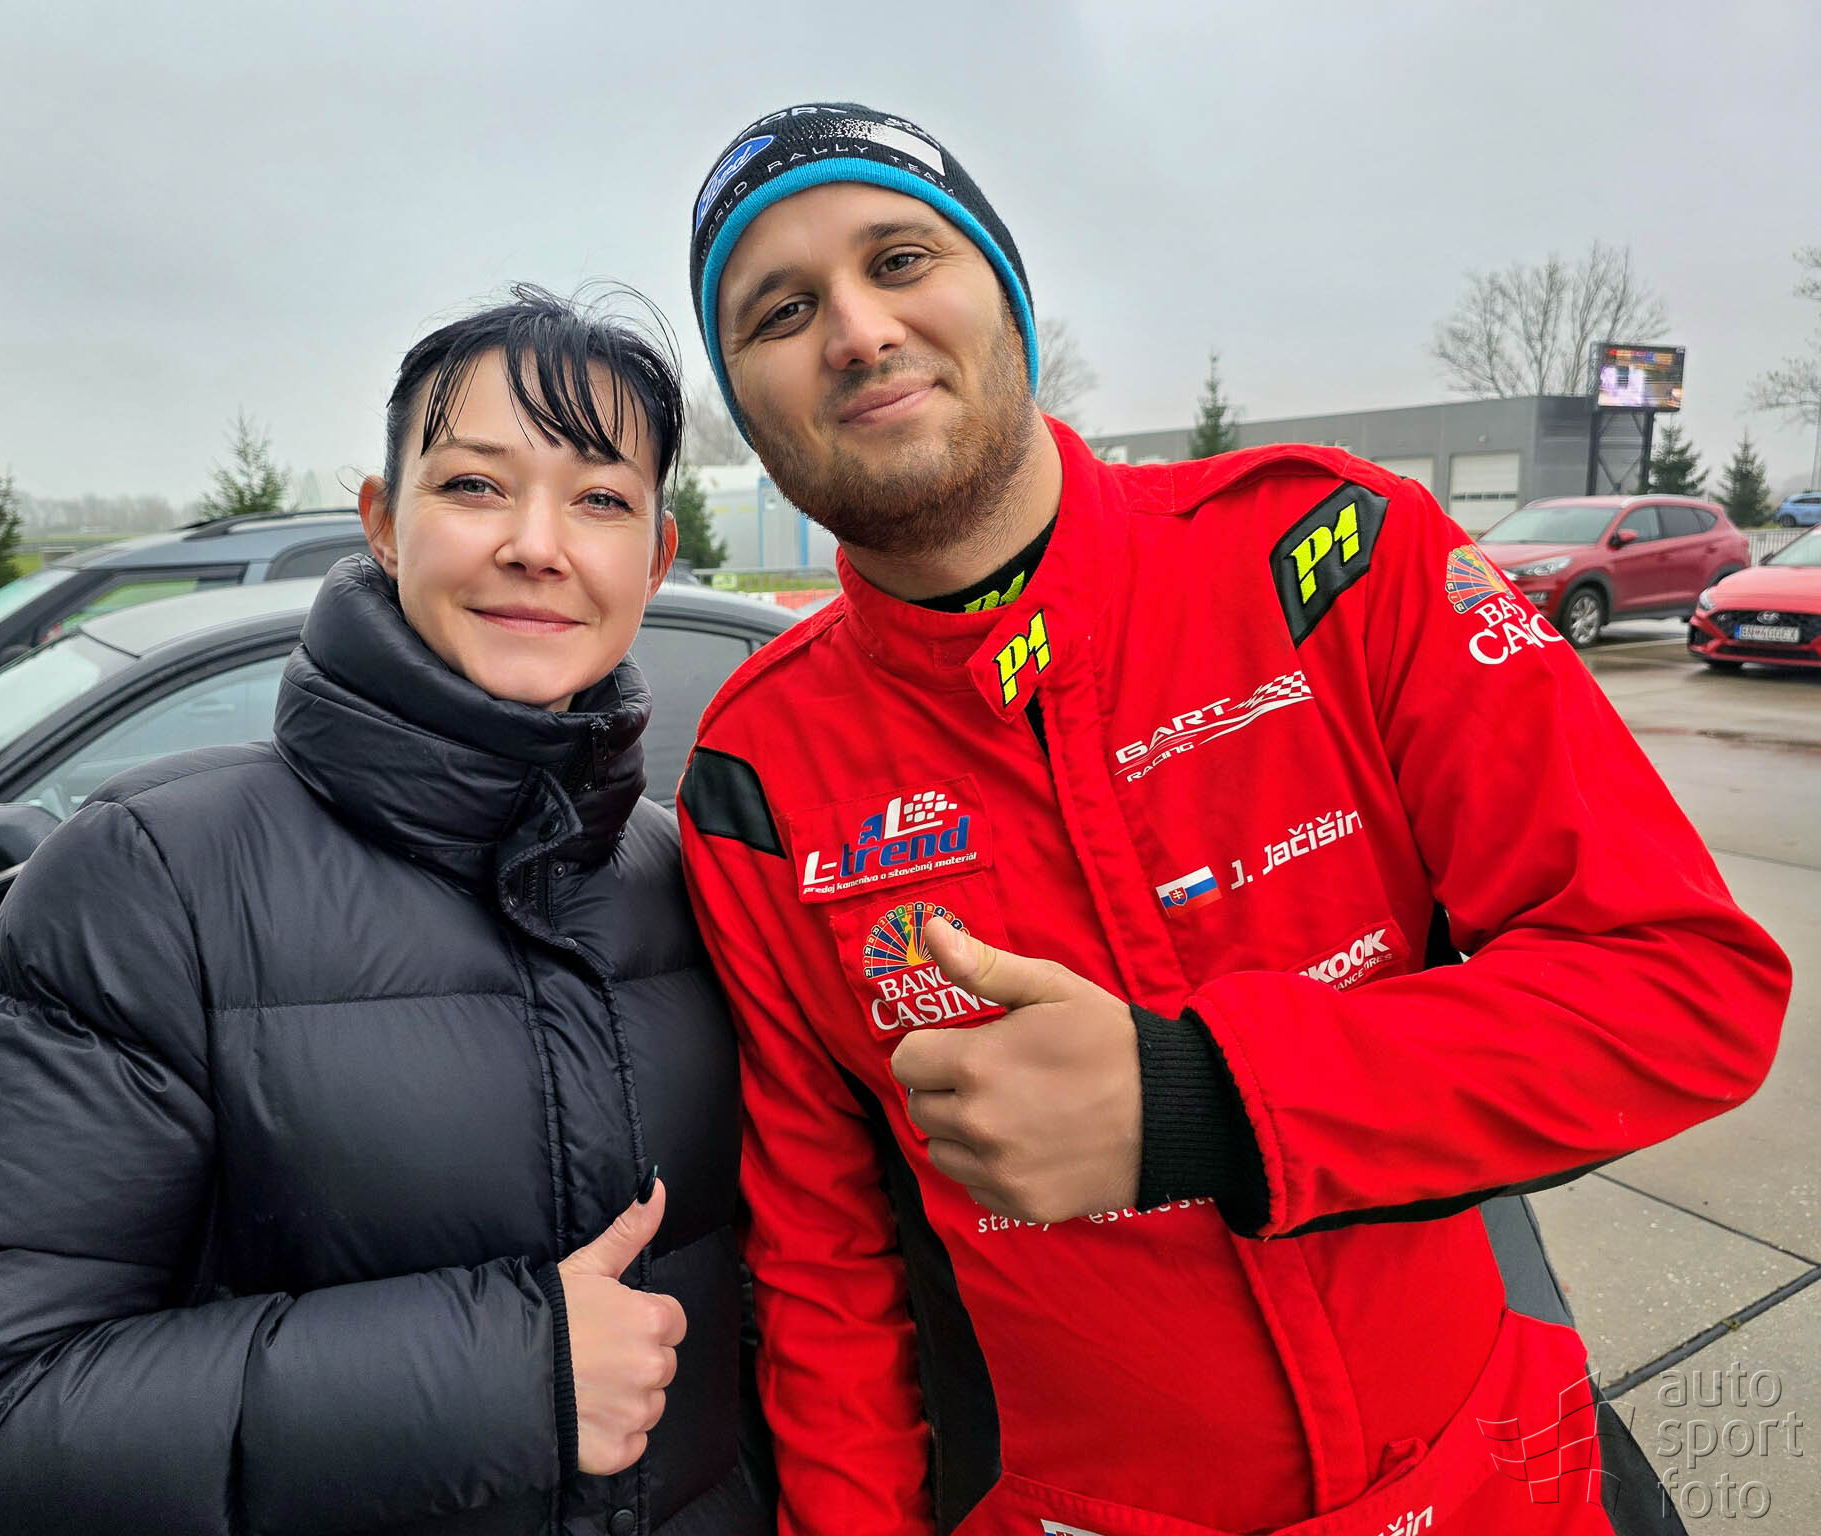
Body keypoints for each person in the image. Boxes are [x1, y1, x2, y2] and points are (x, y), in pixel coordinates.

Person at [673, 103, 1790, 1536]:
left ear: (1005, 296)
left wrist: (1200, 1102)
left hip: (1498, 1475)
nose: (856, 330)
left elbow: (1686, 993)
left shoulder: (1337, 554)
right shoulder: (757, 775)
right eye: (779, 311)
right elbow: (824, 1272)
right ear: (744, 396)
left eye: (899, 259)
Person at [0, 288, 773, 1536]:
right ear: (384, 525)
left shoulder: (683, 877)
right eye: (475, 485)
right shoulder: (153, 879)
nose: (537, 545)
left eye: (600, 499)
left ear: (654, 560)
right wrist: (510, 1376)